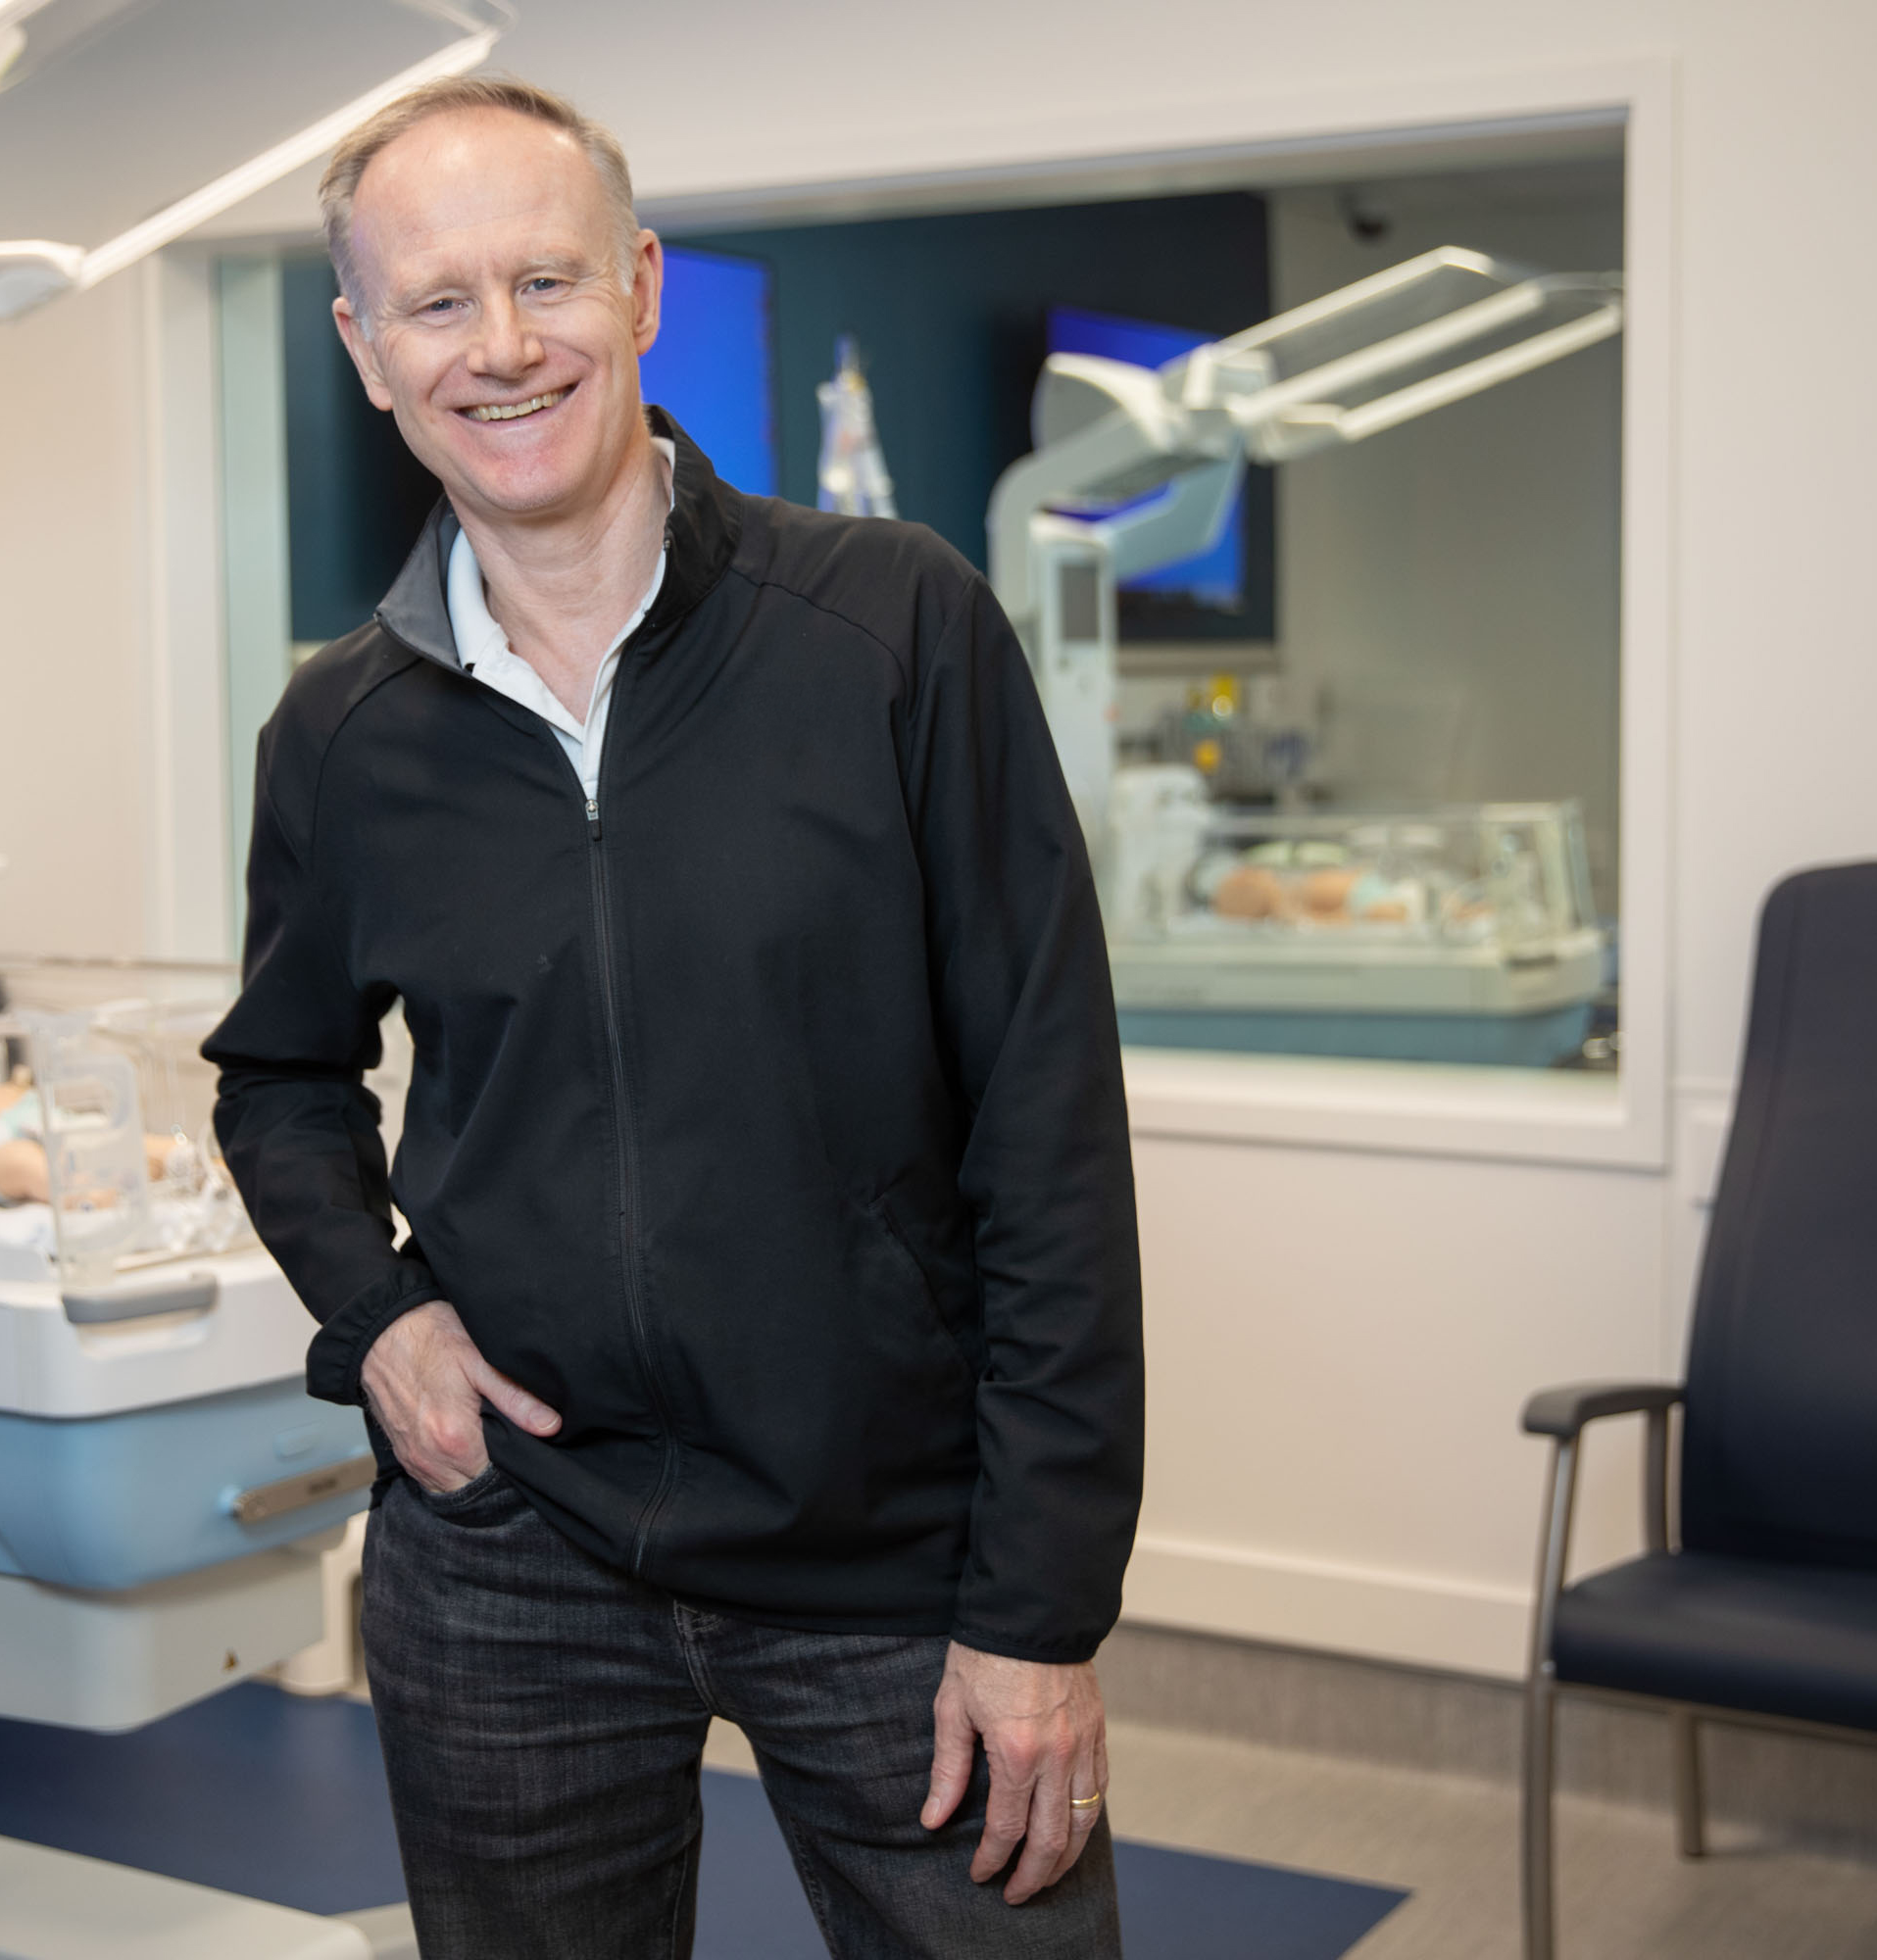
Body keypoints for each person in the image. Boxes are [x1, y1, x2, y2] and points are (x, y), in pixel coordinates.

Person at [208, 74, 1144, 1959]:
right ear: (365, 348)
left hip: (889, 1553)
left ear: (637, 285)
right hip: (511, 1556)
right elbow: (284, 1080)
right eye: (438, 303)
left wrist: (1040, 1607)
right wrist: (382, 1323)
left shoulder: (892, 626)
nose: (502, 347)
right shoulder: (346, 727)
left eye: (545, 280)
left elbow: (1046, 1125)